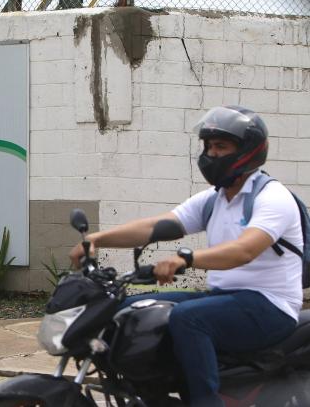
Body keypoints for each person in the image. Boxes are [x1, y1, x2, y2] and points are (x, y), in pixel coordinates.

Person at [70, 105, 303, 407]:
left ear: (247, 151)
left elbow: (244, 250)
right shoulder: (215, 199)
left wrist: (187, 259)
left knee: (188, 319)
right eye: (208, 146)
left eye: (221, 146)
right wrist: (97, 239)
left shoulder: (272, 197)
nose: (210, 154)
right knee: (130, 309)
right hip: (227, 297)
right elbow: (157, 226)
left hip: (270, 306)